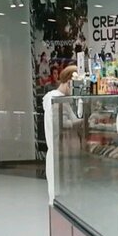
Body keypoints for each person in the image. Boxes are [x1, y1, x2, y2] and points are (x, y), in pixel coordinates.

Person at [43, 65, 80, 204]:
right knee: (61, 192)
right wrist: (82, 122)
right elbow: (61, 124)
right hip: (60, 151)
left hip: (62, 151)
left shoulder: (59, 99)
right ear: (70, 82)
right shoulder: (56, 100)